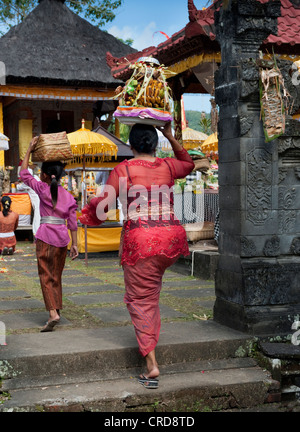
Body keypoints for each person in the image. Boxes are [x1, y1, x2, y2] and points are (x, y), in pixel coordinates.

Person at [79, 122, 194, 388]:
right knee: (150, 294)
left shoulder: (124, 169)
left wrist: (86, 215)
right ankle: (151, 346)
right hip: (172, 240)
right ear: (155, 145)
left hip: (142, 242)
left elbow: (102, 207)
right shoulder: (167, 165)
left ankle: (152, 365)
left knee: (140, 300)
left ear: (131, 146)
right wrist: (170, 136)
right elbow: (188, 164)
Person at [19, 137, 79, 332]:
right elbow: (73, 223)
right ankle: (57, 311)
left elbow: (24, 173)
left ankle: (53, 313)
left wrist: (28, 148)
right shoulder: (69, 196)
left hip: (45, 237)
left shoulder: (42, 189)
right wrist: (75, 245)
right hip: (62, 239)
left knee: (45, 276)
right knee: (56, 276)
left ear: (44, 175)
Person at [17, 165, 41, 236]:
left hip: (37, 201)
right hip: (41, 198)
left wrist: (17, 184)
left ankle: (36, 234)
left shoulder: (28, 181)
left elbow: (19, 187)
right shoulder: (36, 177)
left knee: (37, 217)